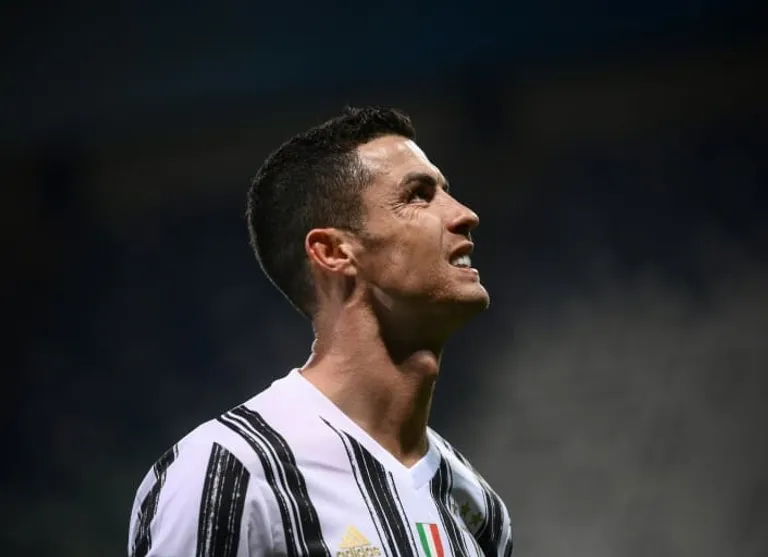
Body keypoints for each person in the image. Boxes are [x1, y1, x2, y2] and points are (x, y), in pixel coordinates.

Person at [127, 106, 513, 557]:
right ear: (333, 252)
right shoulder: (231, 471)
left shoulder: (478, 508)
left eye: (446, 192)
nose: (465, 215)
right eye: (418, 196)